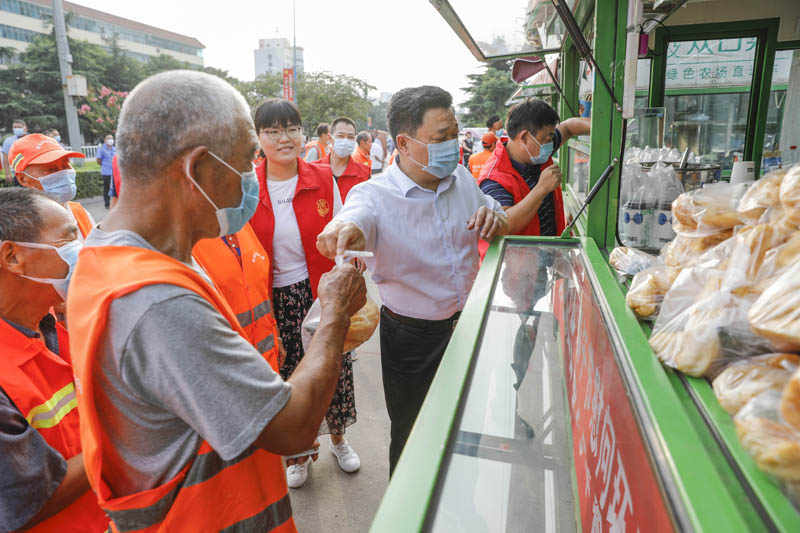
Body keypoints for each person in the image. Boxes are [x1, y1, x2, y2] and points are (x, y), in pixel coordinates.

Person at [66, 70, 367, 532]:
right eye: (247, 161)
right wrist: (334, 315)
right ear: (198, 169)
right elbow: (292, 427)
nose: (251, 179)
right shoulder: (156, 301)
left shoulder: (111, 256)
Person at [316, 85, 509, 474]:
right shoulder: (374, 196)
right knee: (413, 438)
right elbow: (353, 218)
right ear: (403, 143)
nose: (453, 144)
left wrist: (497, 219)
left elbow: (498, 215)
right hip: (412, 339)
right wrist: (343, 229)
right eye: (441, 138)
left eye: (454, 133)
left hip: (470, 326)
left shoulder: (462, 180)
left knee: (467, 426)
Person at [248, 98, 361, 490]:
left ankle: (339, 439)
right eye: (273, 131)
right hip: (273, 297)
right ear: (258, 137)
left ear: (303, 133)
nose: (284, 138)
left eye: (291, 129)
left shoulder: (322, 176)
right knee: (288, 376)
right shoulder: (247, 185)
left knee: (333, 365)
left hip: (318, 291)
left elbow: (343, 229)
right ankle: (298, 452)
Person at [0, 187, 109, 532]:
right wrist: (127, 432)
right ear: (13, 257)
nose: (83, 250)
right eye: (68, 239)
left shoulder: (54, 326)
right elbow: (30, 499)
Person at [478, 99, 590, 243]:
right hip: (521, 259)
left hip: (551, 247)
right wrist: (542, 188)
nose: (550, 143)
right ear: (524, 137)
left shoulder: (536, 149)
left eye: (551, 136)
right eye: (546, 138)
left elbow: (569, 127)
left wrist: (603, 126)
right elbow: (505, 224)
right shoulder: (493, 178)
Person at [9, 133, 96, 239]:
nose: (63, 173)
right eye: (51, 169)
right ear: (23, 179)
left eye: (66, 165)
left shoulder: (79, 212)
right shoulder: (16, 229)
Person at [311, 116, 370, 201]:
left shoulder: (364, 173)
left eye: (350, 137)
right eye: (340, 136)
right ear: (329, 138)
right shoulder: (314, 169)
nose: (345, 141)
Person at [2, 119, 28, 185]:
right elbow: (5, 158)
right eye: (15, 127)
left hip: (32, 173)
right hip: (17, 174)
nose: (16, 129)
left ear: (25, 128)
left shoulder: (32, 138)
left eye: (19, 127)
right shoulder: (8, 141)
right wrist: (7, 174)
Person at [95, 133, 116, 209]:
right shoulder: (102, 149)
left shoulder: (114, 149)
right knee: (106, 188)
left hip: (115, 172)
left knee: (115, 188)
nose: (111, 140)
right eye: (109, 138)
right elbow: (98, 160)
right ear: (105, 140)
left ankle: (115, 203)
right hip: (106, 172)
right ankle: (107, 203)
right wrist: (105, 165)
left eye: (112, 138)